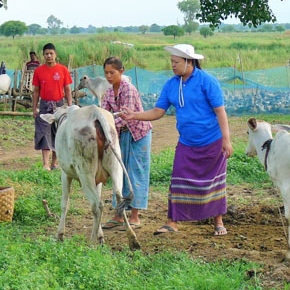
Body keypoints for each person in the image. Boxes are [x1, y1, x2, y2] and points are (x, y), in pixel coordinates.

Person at [121, 44, 233, 236]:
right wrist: (134, 116)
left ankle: (218, 222)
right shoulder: (171, 84)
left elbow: (220, 111)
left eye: (176, 62)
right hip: (187, 143)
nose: (172, 65)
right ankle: (172, 222)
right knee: (178, 179)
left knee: (214, 181)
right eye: (171, 62)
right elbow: (158, 111)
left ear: (189, 62)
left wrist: (226, 140)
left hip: (212, 141)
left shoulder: (207, 81)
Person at [100, 57, 152, 229]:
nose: (108, 76)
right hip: (120, 135)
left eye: (112, 73)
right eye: (106, 73)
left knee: (135, 172)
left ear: (121, 72)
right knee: (119, 172)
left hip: (138, 134)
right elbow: (105, 116)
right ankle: (119, 214)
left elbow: (127, 118)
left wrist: (108, 128)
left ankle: (135, 216)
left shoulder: (128, 89)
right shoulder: (107, 93)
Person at [32, 43, 72, 171]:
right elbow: (36, 91)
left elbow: (67, 88)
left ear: (55, 55)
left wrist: (70, 106)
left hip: (59, 105)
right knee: (44, 133)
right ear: (43, 55)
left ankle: (55, 163)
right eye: (46, 54)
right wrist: (34, 108)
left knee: (58, 133)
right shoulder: (38, 71)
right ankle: (45, 164)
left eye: (51, 53)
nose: (49, 56)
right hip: (44, 105)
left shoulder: (63, 70)